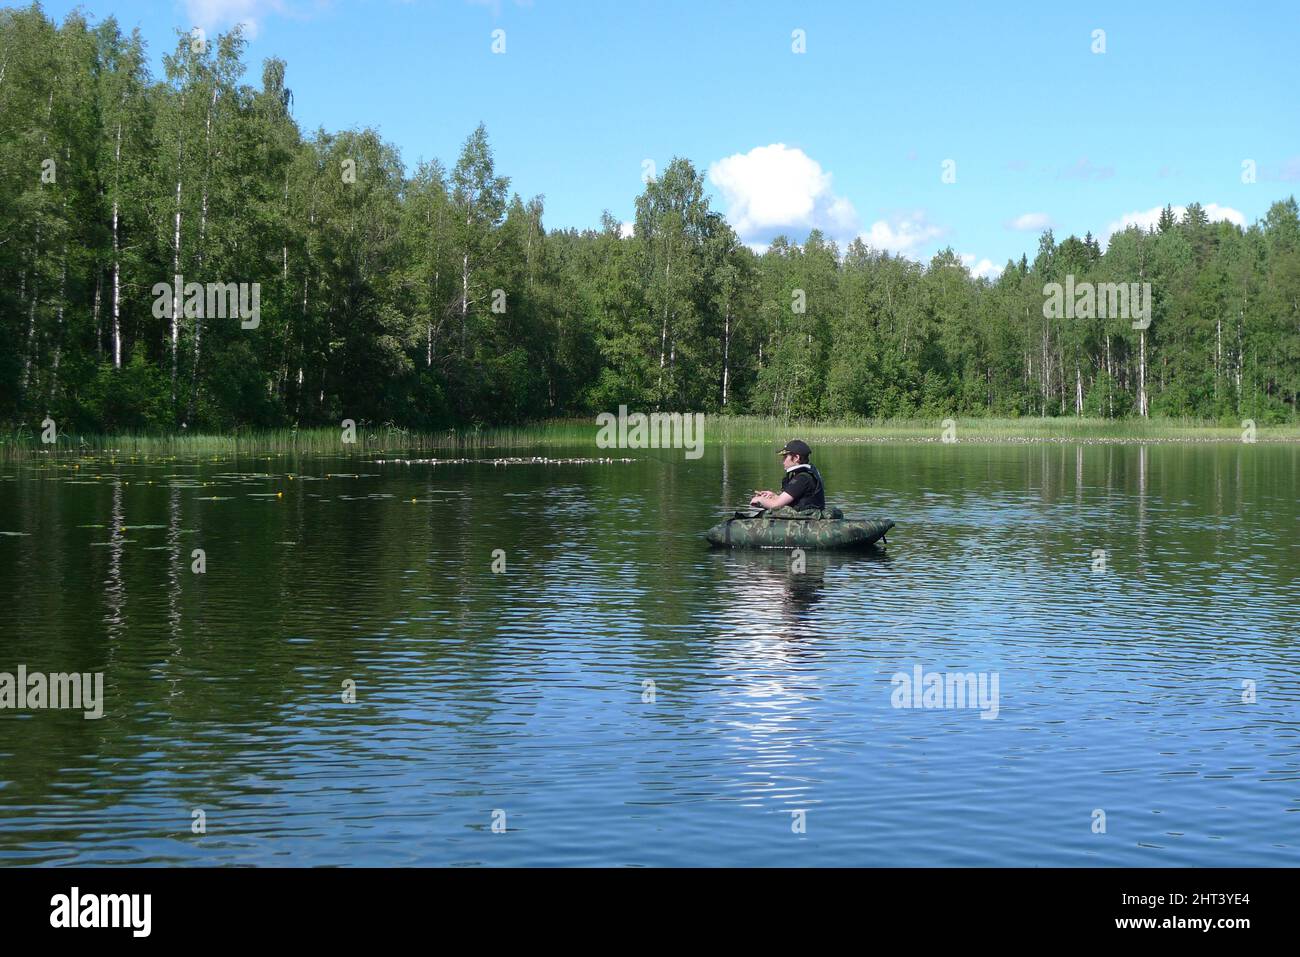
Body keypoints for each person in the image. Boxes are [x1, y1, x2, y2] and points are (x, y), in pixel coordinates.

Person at [750, 439, 826, 511]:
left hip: (805, 522)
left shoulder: (802, 479)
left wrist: (759, 500)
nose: (783, 461)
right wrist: (774, 496)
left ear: (796, 458)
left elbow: (775, 505)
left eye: (785, 457)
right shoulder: (804, 475)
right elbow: (789, 500)